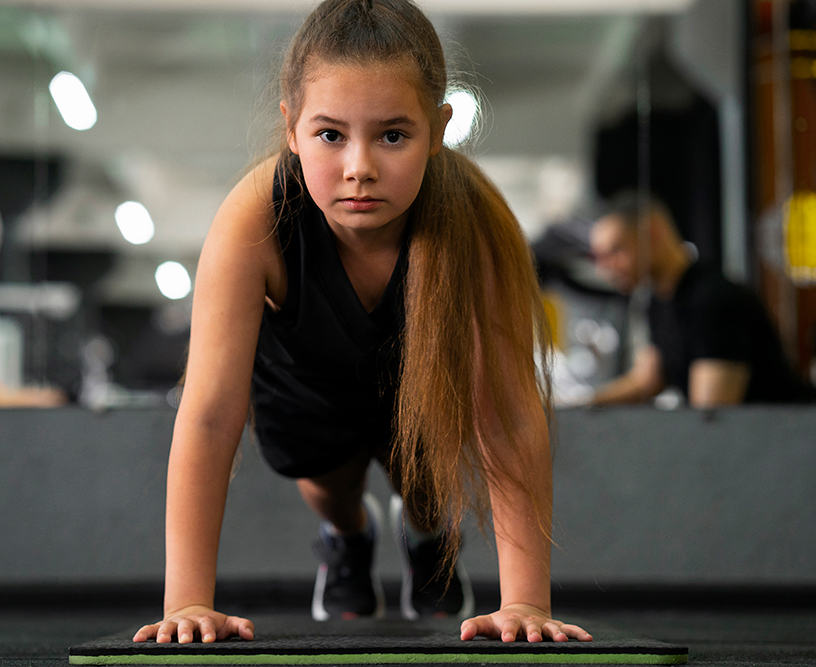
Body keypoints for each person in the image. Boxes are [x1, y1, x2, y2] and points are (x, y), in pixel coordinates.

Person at [132, 0, 592, 646]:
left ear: (438, 128)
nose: (359, 167)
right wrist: (185, 601)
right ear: (291, 128)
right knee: (330, 486)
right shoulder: (253, 220)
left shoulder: (477, 223)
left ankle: (429, 538)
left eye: (393, 135)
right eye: (331, 135)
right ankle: (348, 538)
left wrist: (525, 602)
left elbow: (511, 415)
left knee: (427, 486)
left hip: (422, 379)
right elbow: (208, 414)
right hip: (305, 382)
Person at [589, 193, 816, 407]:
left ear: (653, 233)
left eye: (616, 250)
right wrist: (579, 405)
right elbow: (647, 381)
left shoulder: (713, 300)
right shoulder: (658, 302)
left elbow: (708, 419)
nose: (604, 269)